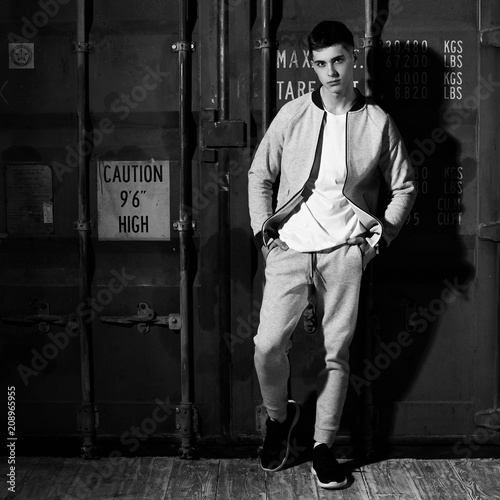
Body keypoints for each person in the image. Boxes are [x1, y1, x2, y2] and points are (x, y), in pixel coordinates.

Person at [248, 20, 417, 489]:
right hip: (289, 248)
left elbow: (404, 187)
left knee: (335, 355)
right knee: (266, 347)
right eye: (320, 64)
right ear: (311, 66)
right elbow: (259, 174)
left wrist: (375, 242)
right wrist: (265, 235)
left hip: (345, 253)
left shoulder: (377, 122)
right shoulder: (292, 115)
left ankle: (323, 446)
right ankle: (279, 420)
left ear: (354, 58)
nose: (330, 72)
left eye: (338, 60)